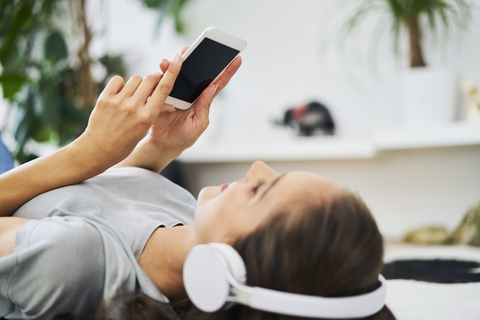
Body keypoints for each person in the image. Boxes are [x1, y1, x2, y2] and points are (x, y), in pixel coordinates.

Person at [0, 47, 395, 320]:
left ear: (232, 264)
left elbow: (88, 222)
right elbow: (105, 201)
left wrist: (85, 153)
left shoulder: (75, 261)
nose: (257, 167)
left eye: (261, 190)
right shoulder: (189, 218)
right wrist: (156, 149)